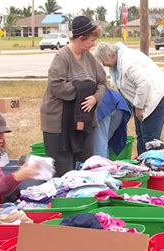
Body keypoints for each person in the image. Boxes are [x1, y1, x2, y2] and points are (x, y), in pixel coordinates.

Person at [40, 16, 106, 177]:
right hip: (59, 122)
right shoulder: (62, 57)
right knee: (63, 168)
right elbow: (56, 85)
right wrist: (83, 92)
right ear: (80, 38)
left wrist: (95, 98)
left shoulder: (90, 59)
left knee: (87, 164)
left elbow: (103, 82)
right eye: (91, 40)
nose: (93, 44)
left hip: (84, 120)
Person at [94, 42, 164, 155]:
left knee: (149, 138)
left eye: (103, 61)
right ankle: (142, 164)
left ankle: (154, 166)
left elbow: (144, 84)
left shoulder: (128, 63)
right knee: (140, 134)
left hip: (158, 95)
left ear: (110, 55)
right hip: (141, 98)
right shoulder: (115, 65)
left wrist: (138, 107)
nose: (104, 65)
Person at [93, 88, 131, 159]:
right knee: (104, 141)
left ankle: (100, 168)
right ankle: (105, 166)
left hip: (103, 104)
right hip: (118, 103)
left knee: (100, 143)